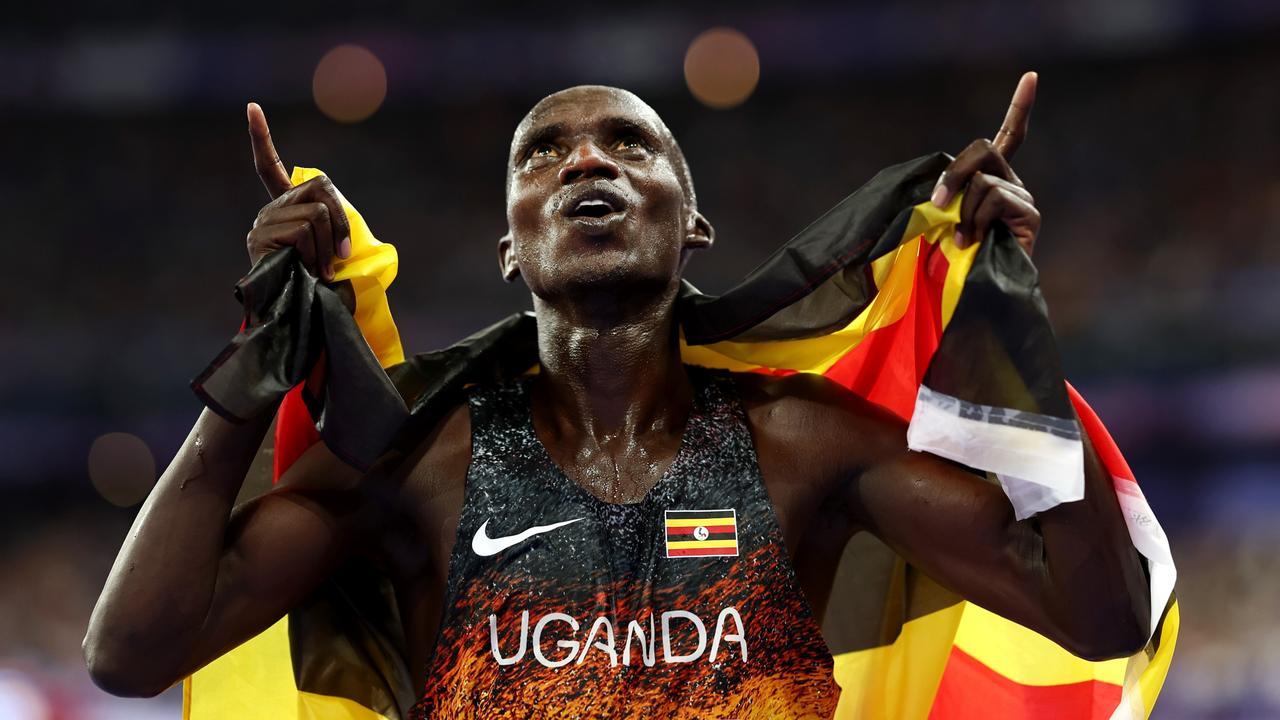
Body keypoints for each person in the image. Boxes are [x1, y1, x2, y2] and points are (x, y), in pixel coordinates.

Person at [83, 76, 1151, 717]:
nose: (584, 157)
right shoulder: (425, 461)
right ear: (511, 245)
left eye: (629, 144)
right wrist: (257, 363)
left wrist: (1004, 324)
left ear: (690, 224)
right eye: (541, 153)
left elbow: (1097, 617)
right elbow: (130, 653)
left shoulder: (805, 445)